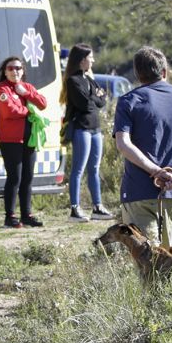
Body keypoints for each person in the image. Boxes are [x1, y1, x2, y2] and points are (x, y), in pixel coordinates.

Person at [113, 46, 172, 245]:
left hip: (139, 192)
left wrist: (156, 171)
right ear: (164, 72)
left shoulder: (129, 101)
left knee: (147, 263)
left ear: (137, 74)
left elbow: (123, 143)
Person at [60, 44, 115, 222]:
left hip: (95, 129)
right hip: (81, 129)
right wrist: (96, 96)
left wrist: (96, 96)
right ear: (82, 60)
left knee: (94, 169)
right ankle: (74, 210)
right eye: (90, 57)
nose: (93, 60)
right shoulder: (73, 80)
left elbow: (103, 100)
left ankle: (97, 207)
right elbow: (86, 104)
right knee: (78, 170)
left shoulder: (88, 78)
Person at [0, 56, 48, 228]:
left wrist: (26, 93)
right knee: (14, 177)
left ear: (23, 70)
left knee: (27, 177)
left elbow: (43, 104)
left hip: (29, 139)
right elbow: (10, 111)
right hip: (10, 140)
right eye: (10, 68)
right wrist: (29, 111)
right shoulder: (1, 89)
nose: (14, 71)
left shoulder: (27, 87)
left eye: (18, 68)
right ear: (4, 71)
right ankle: (10, 216)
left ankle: (26, 215)